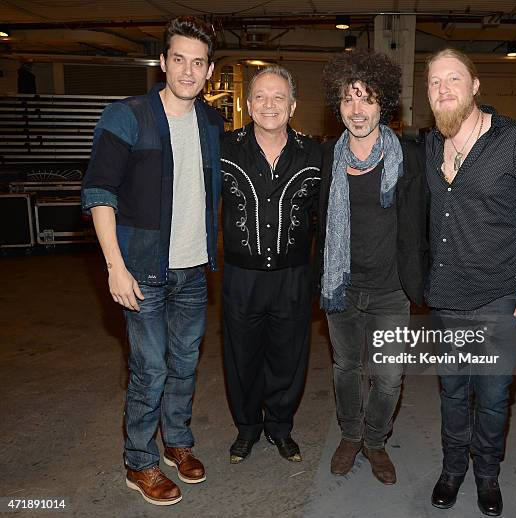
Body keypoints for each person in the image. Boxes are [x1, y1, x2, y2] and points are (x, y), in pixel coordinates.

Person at [81, 17, 223, 506]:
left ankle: (177, 443)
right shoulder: (127, 115)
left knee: (184, 364)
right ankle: (138, 462)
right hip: (141, 271)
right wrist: (114, 266)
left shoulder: (210, 123)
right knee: (150, 370)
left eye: (198, 62)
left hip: (194, 269)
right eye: (178, 59)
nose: (187, 70)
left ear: (209, 71)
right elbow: (100, 191)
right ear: (163, 62)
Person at [425, 48, 516, 516]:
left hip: (500, 295)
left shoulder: (515, 140)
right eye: (435, 82)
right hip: (445, 297)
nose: (444, 89)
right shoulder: (429, 143)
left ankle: (486, 475)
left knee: (494, 395)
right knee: (454, 392)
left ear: (475, 85)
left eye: (453, 79)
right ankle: (452, 468)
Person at [318, 49, 428, 485]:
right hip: (341, 286)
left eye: (367, 99)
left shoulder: (410, 158)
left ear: (384, 104)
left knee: (386, 379)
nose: (357, 110)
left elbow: (430, 215)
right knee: (346, 369)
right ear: (338, 106)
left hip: (390, 289)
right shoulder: (327, 157)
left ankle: (375, 440)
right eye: (348, 99)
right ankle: (350, 435)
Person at [221, 66, 321, 464]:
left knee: (288, 357)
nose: (269, 104)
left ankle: (280, 427)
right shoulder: (223, 147)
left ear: (293, 105)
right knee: (241, 357)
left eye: (278, 97)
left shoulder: (314, 153)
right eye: (260, 96)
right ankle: (247, 428)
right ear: (248, 104)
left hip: (293, 277)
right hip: (241, 278)